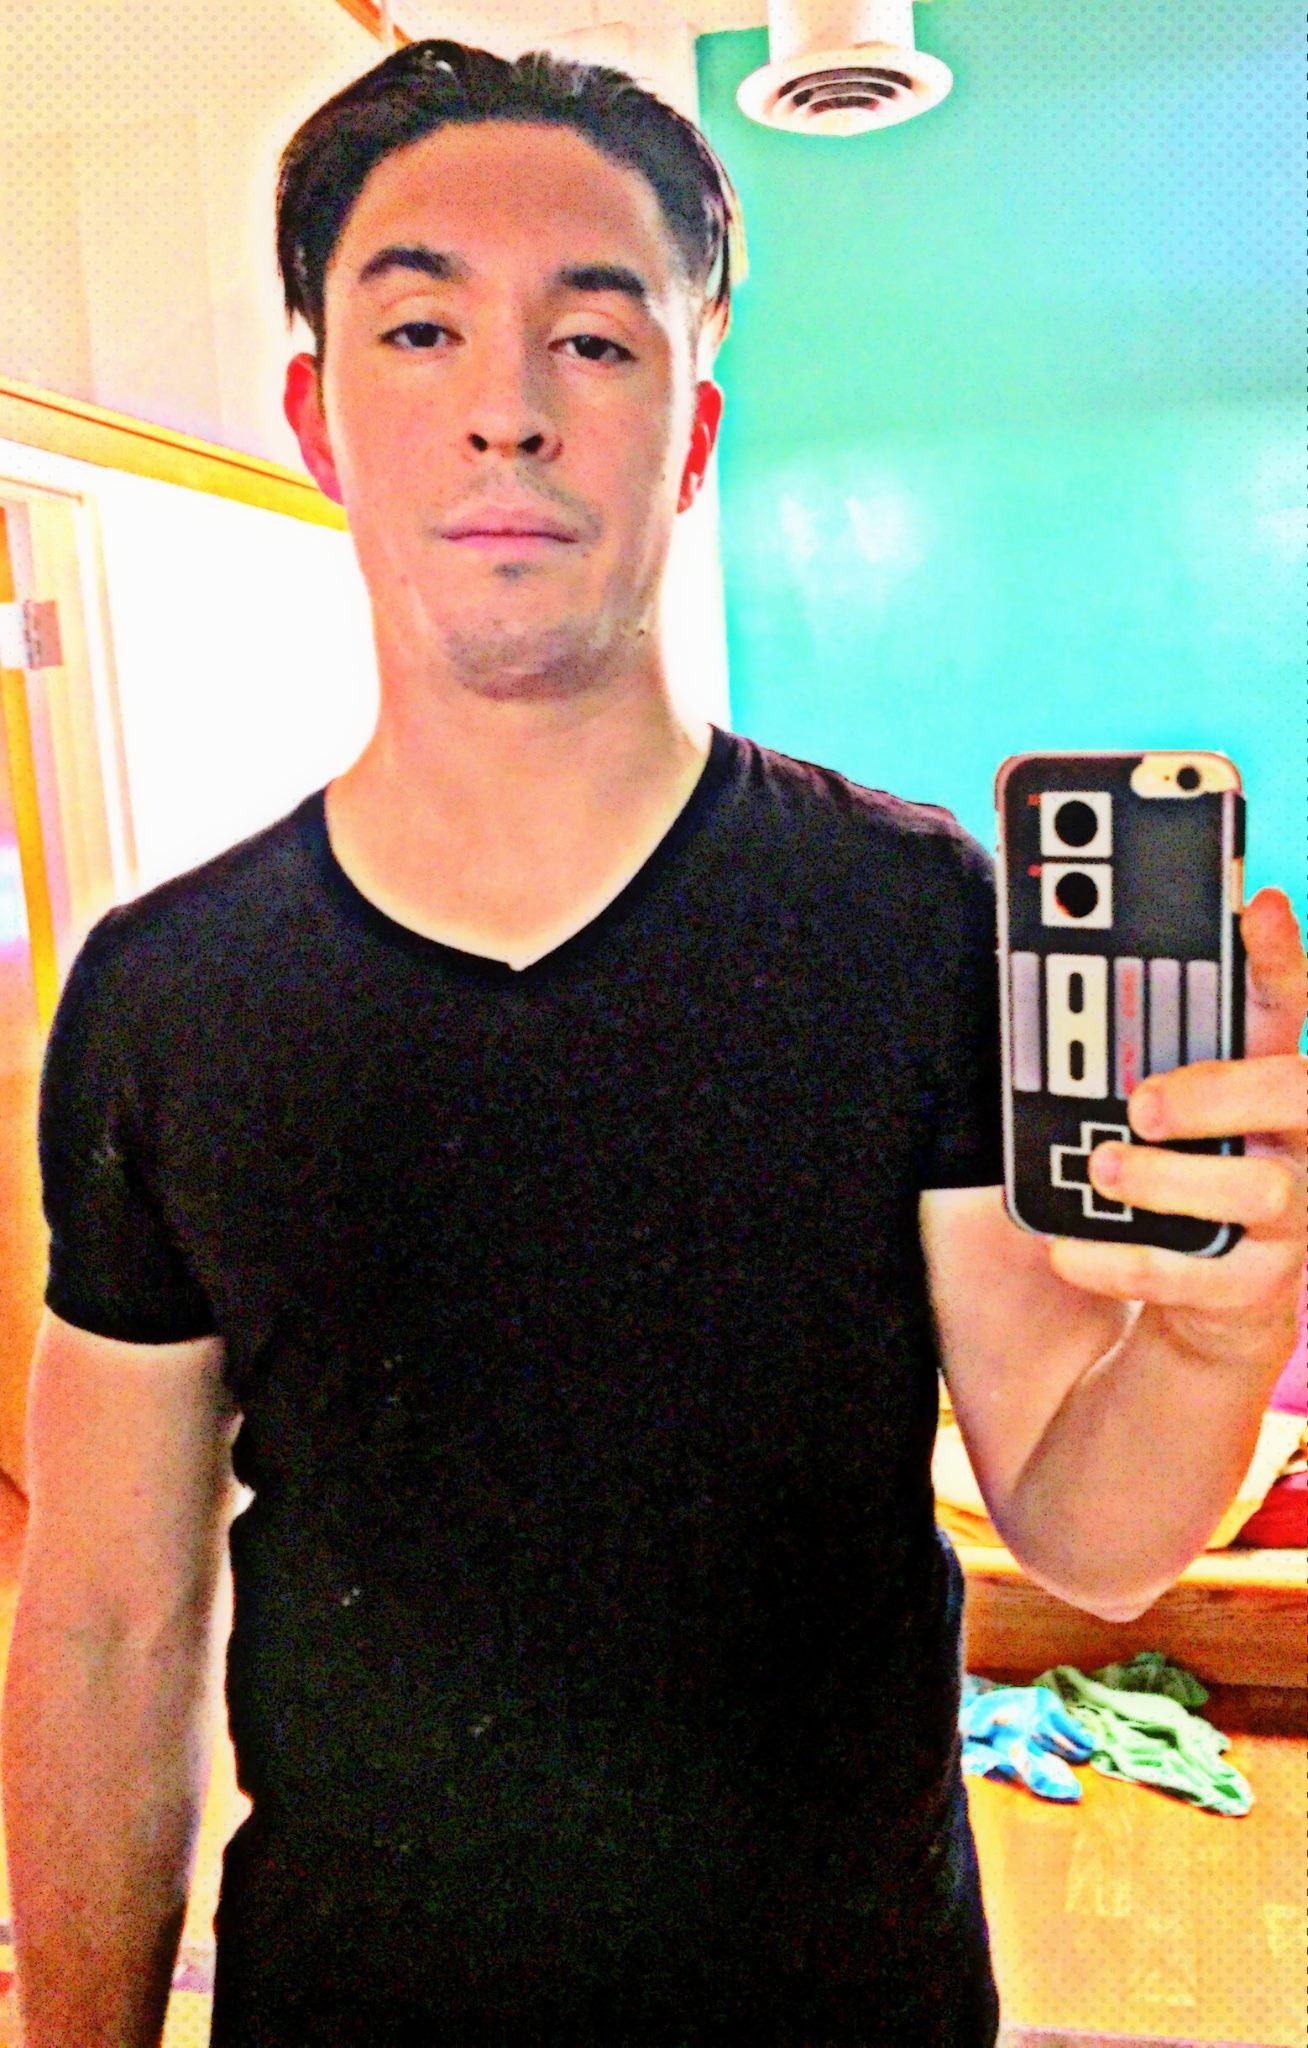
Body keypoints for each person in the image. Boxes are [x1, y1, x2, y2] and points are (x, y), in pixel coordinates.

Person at [3, 38, 1304, 2048]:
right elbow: (103, 1623)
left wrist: (1219, 1342)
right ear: (319, 419)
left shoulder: (911, 918)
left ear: (689, 434)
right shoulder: (163, 993)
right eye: (421, 328)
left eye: (594, 343)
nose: (507, 409)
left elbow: (1089, 1530)